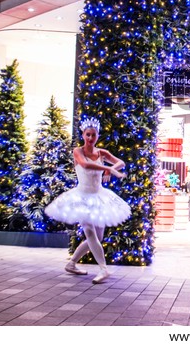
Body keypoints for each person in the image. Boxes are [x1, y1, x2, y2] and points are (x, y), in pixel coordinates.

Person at [45, 117, 130, 284]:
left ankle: (71, 264)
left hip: (99, 197)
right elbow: (84, 165)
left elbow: (121, 162)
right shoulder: (78, 151)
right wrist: (108, 169)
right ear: (83, 135)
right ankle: (103, 269)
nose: (90, 138)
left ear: (97, 136)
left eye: (93, 135)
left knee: (97, 236)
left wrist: (112, 168)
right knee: (90, 233)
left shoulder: (101, 153)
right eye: (88, 135)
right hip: (81, 197)